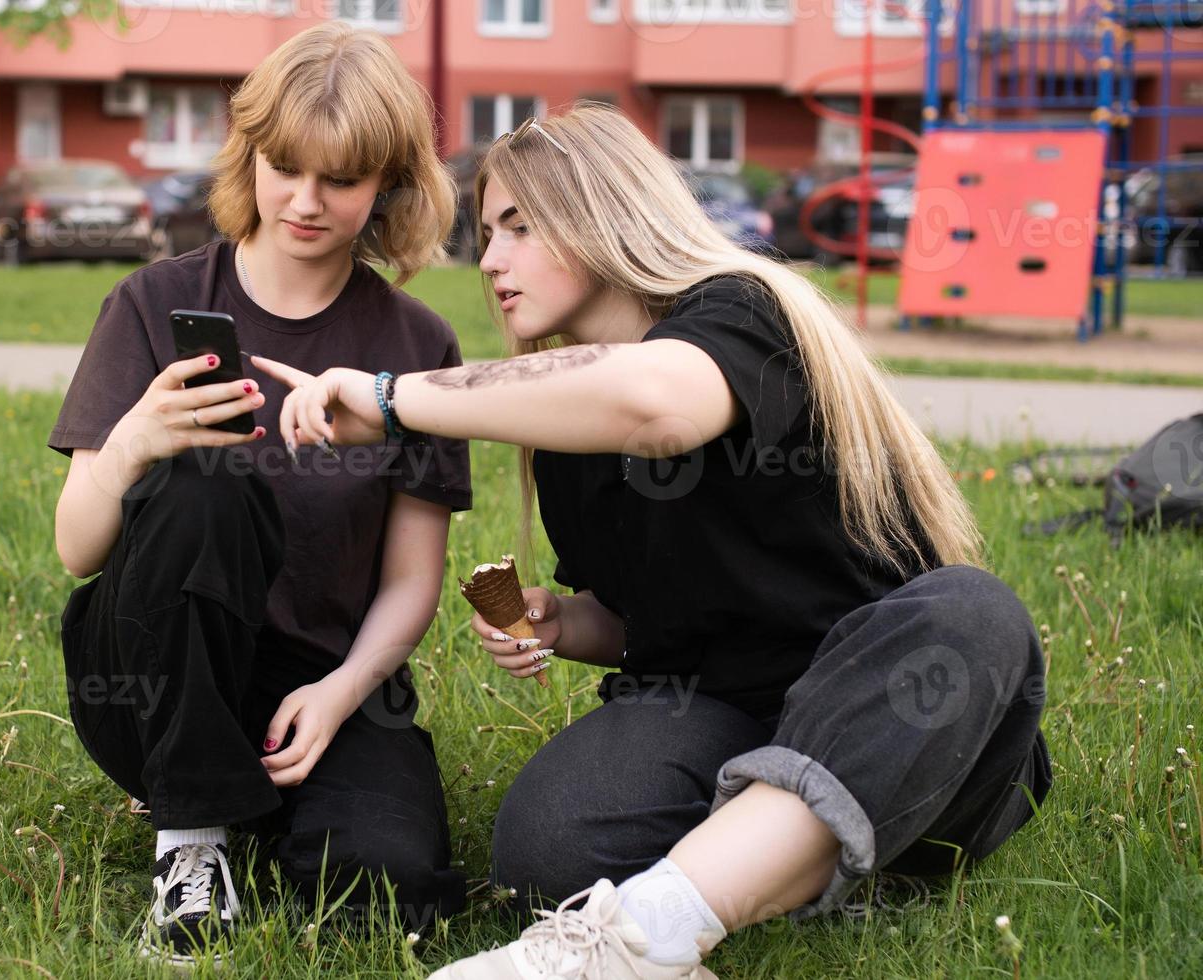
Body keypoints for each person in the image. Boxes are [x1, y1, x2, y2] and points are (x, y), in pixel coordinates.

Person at [251, 104, 1052, 980]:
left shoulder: (743, 312)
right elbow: (643, 623)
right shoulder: (564, 428)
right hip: (724, 717)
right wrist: (568, 623)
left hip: (897, 724)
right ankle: (758, 876)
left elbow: (661, 406)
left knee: (975, 613)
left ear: (601, 213)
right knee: (545, 848)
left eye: (519, 227)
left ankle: (651, 929)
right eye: (487, 233)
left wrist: (396, 398)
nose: (488, 261)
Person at [47, 23, 472, 967]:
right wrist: (130, 448)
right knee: (206, 473)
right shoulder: (151, 306)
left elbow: (411, 581)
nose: (306, 202)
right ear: (250, 156)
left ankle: (270, 807)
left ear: (389, 187)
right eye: (285, 167)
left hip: (324, 690)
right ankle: (193, 834)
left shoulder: (417, 345)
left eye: (343, 178)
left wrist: (338, 695)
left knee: (382, 891)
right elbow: (78, 551)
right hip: (154, 683)